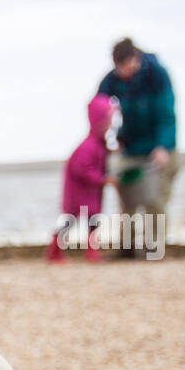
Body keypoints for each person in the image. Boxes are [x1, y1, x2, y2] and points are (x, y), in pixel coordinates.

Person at [97, 38, 178, 255]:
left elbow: (166, 113)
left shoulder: (157, 75)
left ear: (135, 58)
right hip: (131, 147)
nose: (124, 72)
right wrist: (106, 140)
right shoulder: (113, 79)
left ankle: (154, 248)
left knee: (154, 199)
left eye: (127, 66)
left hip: (157, 147)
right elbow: (98, 106)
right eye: (119, 67)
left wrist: (163, 145)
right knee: (127, 199)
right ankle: (126, 248)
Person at [48, 94, 116, 263]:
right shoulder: (89, 145)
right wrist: (102, 179)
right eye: (107, 119)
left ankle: (91, 251)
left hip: (89, 195)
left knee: (91, 222)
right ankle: (56, 249)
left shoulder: (98, 144)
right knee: (70, 222)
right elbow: (81, 169)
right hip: (79, 194)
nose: (109, 123)